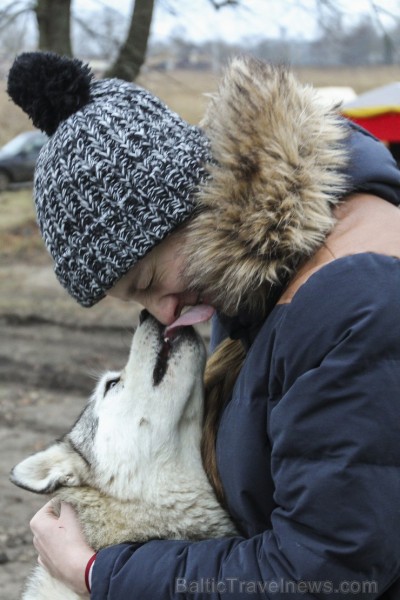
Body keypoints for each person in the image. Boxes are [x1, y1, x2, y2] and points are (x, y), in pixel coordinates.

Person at [7, 51, 400, 599]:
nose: (162, 314)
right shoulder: (249, 281)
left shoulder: (349, 296)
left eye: (146, 281)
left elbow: (328, 573)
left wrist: (99, 574)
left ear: (182, 206)